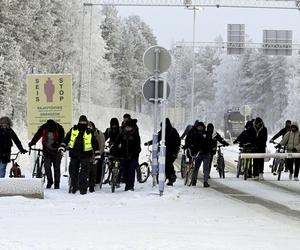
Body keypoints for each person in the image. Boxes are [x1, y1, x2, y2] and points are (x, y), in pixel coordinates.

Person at [59, 115, 100, 195]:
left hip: (85, 155)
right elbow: (66, 138)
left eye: (84, 122)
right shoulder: (73, 129)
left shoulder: (89, 131)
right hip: (74, 154)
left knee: (84, 173)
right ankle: (74, 187)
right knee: (73, 172)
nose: (82, 123)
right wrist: (62, 146)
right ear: (79, 121)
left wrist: (97, 154)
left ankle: (83, 189)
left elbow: (95, 143)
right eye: (81, 122)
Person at [28, 119, 65, 188]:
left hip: (57, 151)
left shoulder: (59, 128)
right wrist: (32, 143)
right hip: (46, 151)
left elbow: (62, 139)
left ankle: (57, 183)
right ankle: (50, 181)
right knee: (47, 166)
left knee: (56, 168)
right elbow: (37, 135)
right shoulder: (44, 127)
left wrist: (57, 144)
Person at [145, 118, 181, 186]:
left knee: (167, 164)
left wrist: (172, 147)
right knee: (165, 164)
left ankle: (171, 177)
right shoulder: (162, 132)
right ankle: (170, 176)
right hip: (164, 151)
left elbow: (177, 141)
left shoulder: (173, 131)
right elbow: (157, 139)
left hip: (172, 151)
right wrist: (149, 143)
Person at [111, 118, 141, 191]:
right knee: (124, 171)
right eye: (126, 127)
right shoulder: (122, 134)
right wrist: (114, 151)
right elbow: (116, 143)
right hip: (123, 156)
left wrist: (133, 154)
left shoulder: (135, 135)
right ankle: (127, 185)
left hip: (133, 157)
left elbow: (138, 147)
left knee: (131, 171)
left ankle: (130, 186)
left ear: (132, 127)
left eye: (129, 127)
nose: (128, 128)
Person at [185, 121, 211, 187]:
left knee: (205, 168)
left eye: (201, 127)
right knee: (196, 168)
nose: (200, 128)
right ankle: (194, 180)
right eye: (199, 127)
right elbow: (191, 142)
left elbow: (209, 143)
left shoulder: (206, 134)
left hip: (205, 153)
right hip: (198, 154)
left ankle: (205, 181)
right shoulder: (195, 134)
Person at [88, 121, 105, 192]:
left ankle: (95, 182)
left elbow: (101, 146)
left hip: (95, 154)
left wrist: (97, 155)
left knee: (95, 167)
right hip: (87, 154)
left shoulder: (99, 134)